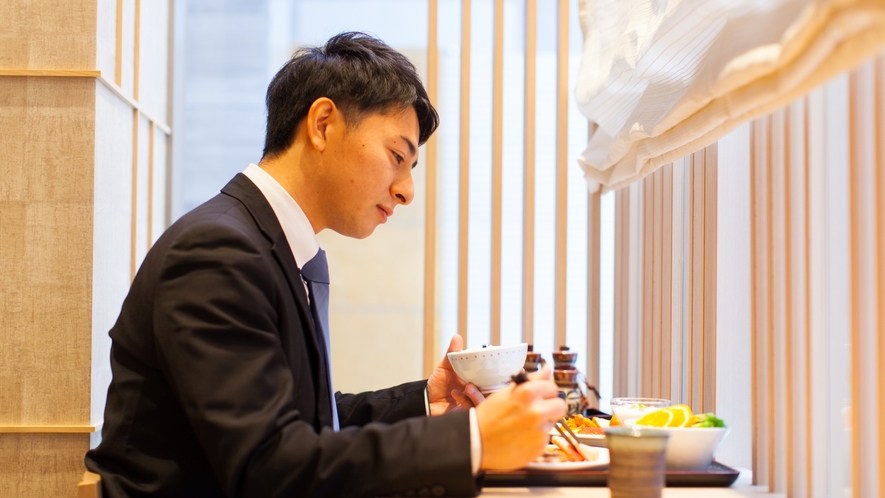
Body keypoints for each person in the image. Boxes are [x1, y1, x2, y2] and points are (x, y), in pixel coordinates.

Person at [85, 32, 566, 497]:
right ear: (322, 124)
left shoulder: (273, 243)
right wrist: (472, 440)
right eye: (397, 156)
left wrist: (426, 402)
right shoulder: (216, 252)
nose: (406, 190)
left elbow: (305, 423)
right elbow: (270, 467)